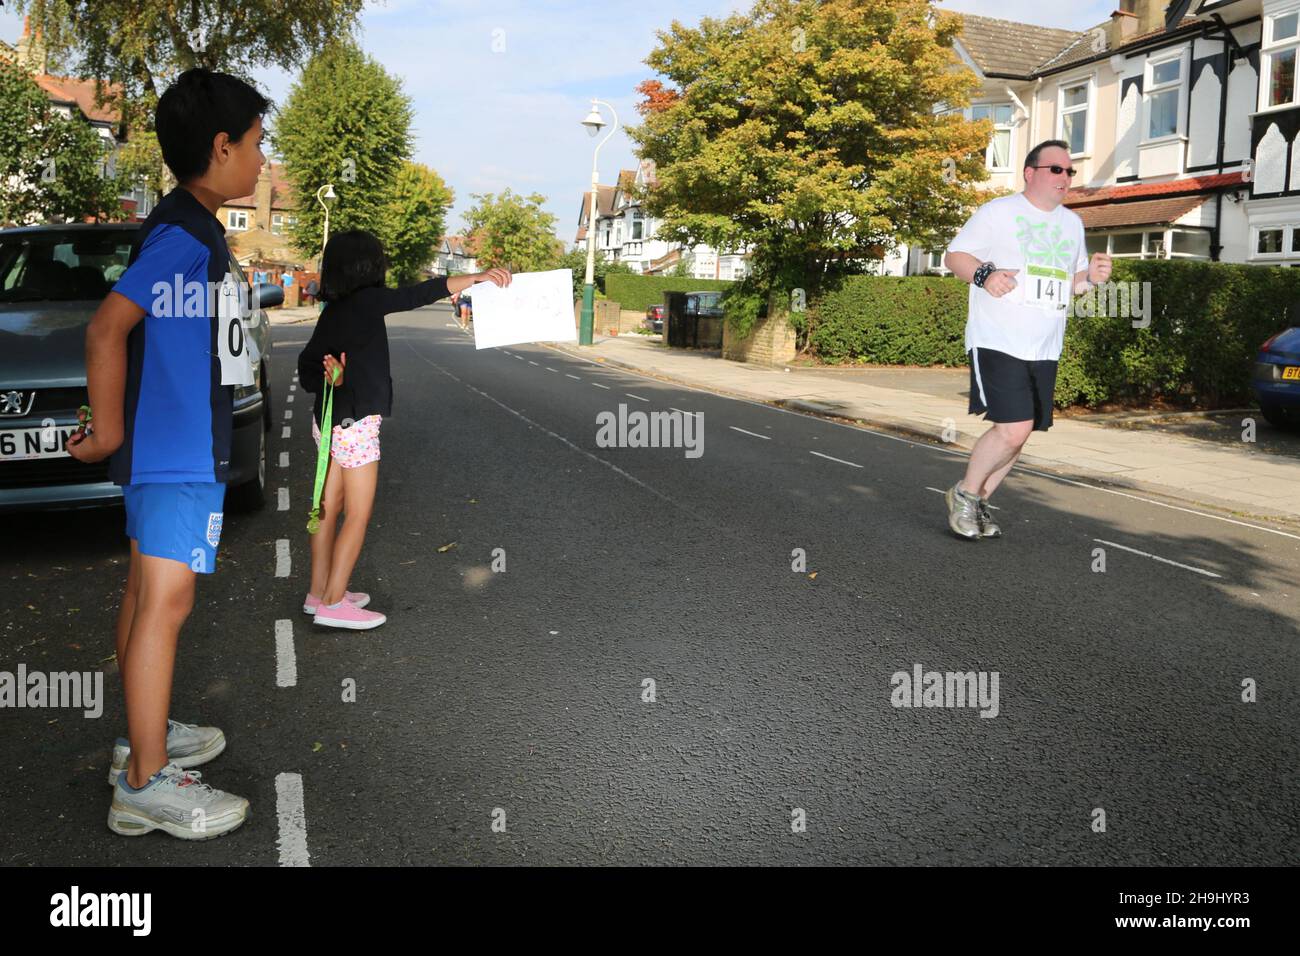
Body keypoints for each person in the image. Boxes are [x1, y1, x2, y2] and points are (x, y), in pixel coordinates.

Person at [67, 68, 271, 838]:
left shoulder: (191, 223)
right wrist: (112, 432)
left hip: (173, 447)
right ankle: (146, 782)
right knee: (167, 603)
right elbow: (106, 327)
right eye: (255, 144)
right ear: (220, 147)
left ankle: (140, 739)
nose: (260, 158)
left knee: (142, 597)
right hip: (175, 451)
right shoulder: (184, 235)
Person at [297, 230, 510, 629]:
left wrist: (333, 381)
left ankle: (319, 591)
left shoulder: (334, 310)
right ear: (368, 266)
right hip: (355, 425)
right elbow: (419, 293)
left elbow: (308, 368)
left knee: (328, 509)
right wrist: (475, 278)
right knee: (357, 515)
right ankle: (333, 602)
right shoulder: (367, 302)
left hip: (329, 422)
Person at [942, 139, 1112, 540]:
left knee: (1023, 430)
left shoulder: (1072, 224)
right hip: (999, 337)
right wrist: (986, 276)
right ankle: (965, 494)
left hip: (1045, 343)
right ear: (1030, 173)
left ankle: (981, 500)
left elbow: (1069, 283)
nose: (1065, 177)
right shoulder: (998, 212)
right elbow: (955, 256)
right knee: (1014, 428)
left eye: (1070, 171)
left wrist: (1091, 277)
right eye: (1057, 169)